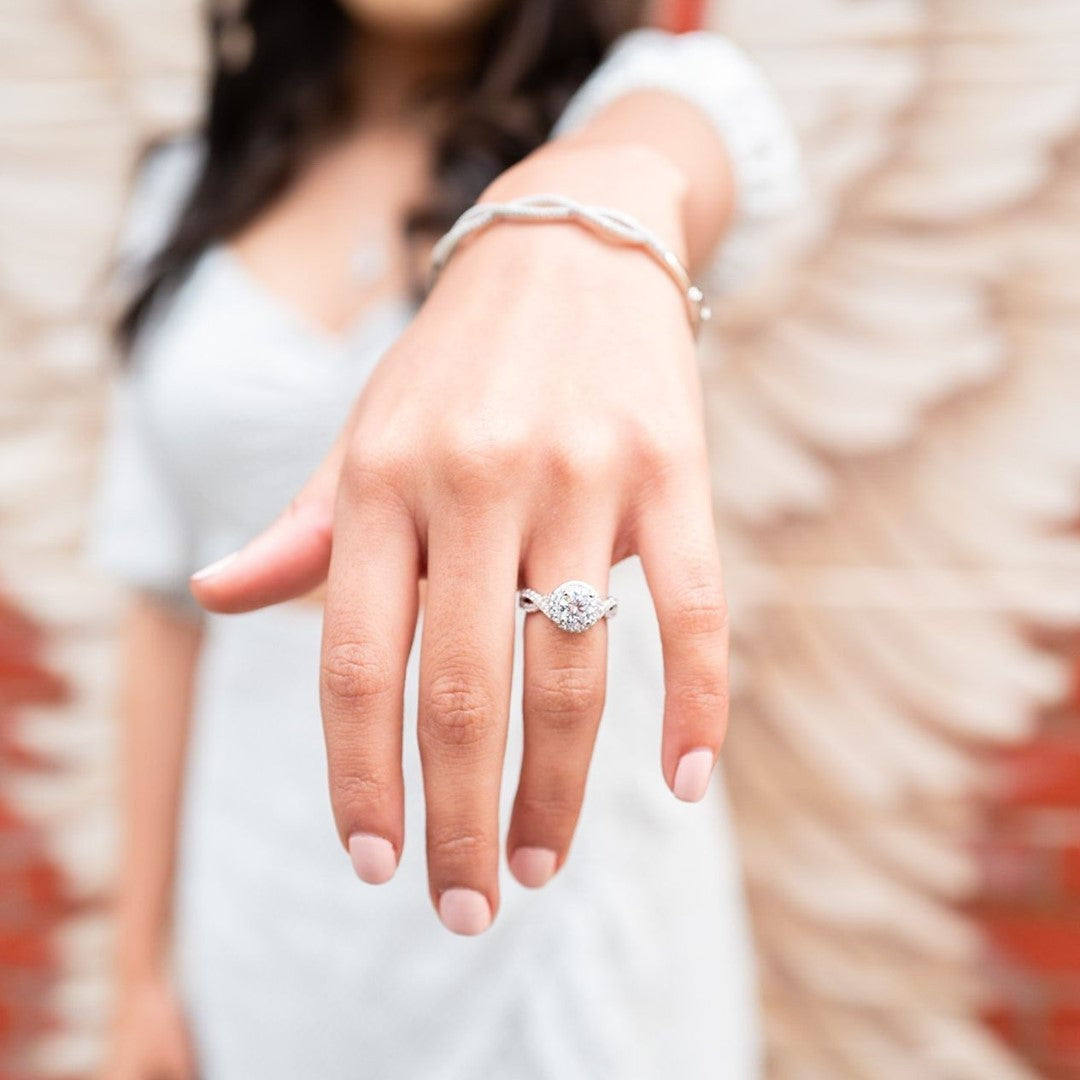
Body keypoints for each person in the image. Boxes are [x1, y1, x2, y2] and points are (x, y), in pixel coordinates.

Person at [86, 1, 800, 1076]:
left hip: (557, 917)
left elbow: (681, 133)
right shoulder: (185, 191)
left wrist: (577, 220)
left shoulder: (619, 109)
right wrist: (138, 968)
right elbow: (167, 608)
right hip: (265, 897)